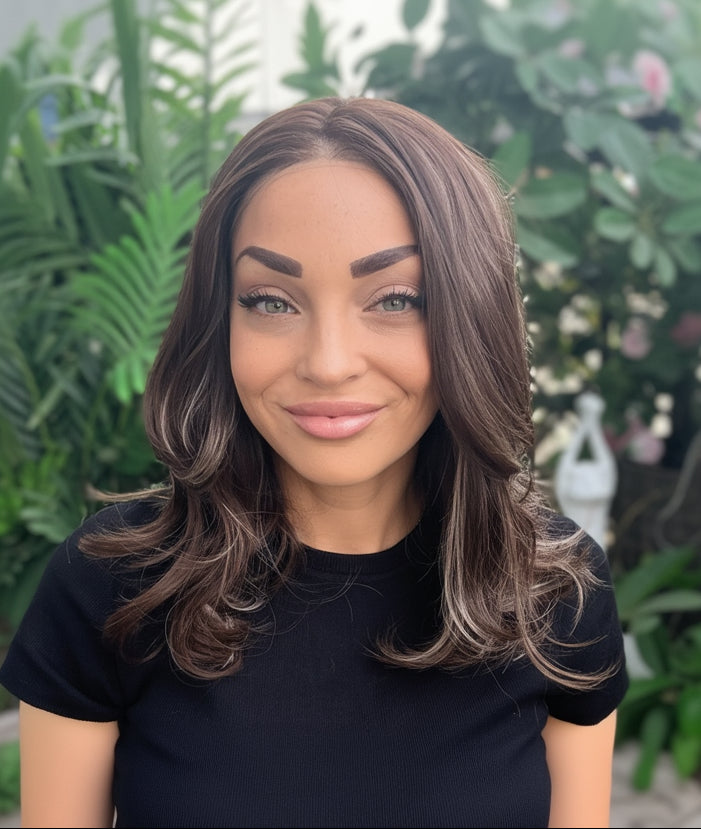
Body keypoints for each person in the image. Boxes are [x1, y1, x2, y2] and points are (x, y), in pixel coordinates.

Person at [0, 96, 628, 829]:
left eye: (395, 297)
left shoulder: (553, 592)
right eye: (271, 301)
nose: (328, 363)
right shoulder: (110, 591)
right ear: (218, 317)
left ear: (470, 313)